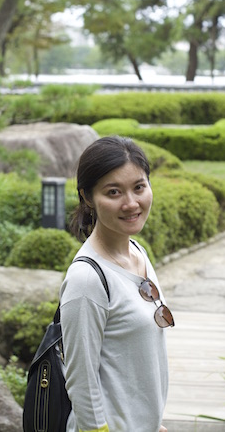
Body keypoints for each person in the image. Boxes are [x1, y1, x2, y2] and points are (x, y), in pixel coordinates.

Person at [61, 136, 174, 432]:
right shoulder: (87, 280)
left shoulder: (137, 251)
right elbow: (81, 383)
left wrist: (152, 421)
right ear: (87, 197)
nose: (131, 203)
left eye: (139, 187)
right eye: (114, 192)